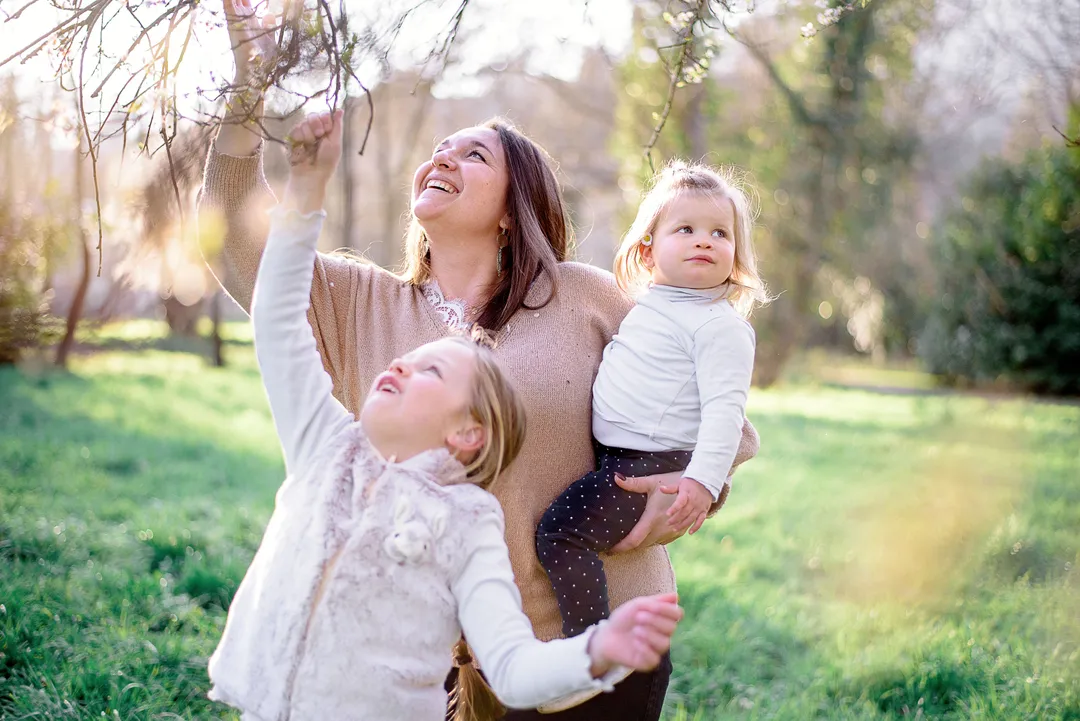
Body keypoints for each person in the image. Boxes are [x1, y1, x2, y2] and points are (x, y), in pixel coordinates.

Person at [200, 3, 760, 717]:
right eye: (439, 150)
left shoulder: (584, 296)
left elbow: (720, 406)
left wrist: (695, 490)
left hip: (602, 639)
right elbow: (233, 242)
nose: (442, 158)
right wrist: (250, 84)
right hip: (430, 661)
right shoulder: (356, 302)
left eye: (473, 154)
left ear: (511, 206)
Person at [532, 161, 767, 712]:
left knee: (561, 534)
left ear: (737, 254)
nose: (704, 241)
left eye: (720, 233)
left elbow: (725, 414)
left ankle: (589, 654)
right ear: (646, 250)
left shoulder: (721, 326)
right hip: (618, 456)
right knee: (568, 532)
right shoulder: (651, 305)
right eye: (685, 229)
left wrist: (702, 484)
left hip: (643, 467)